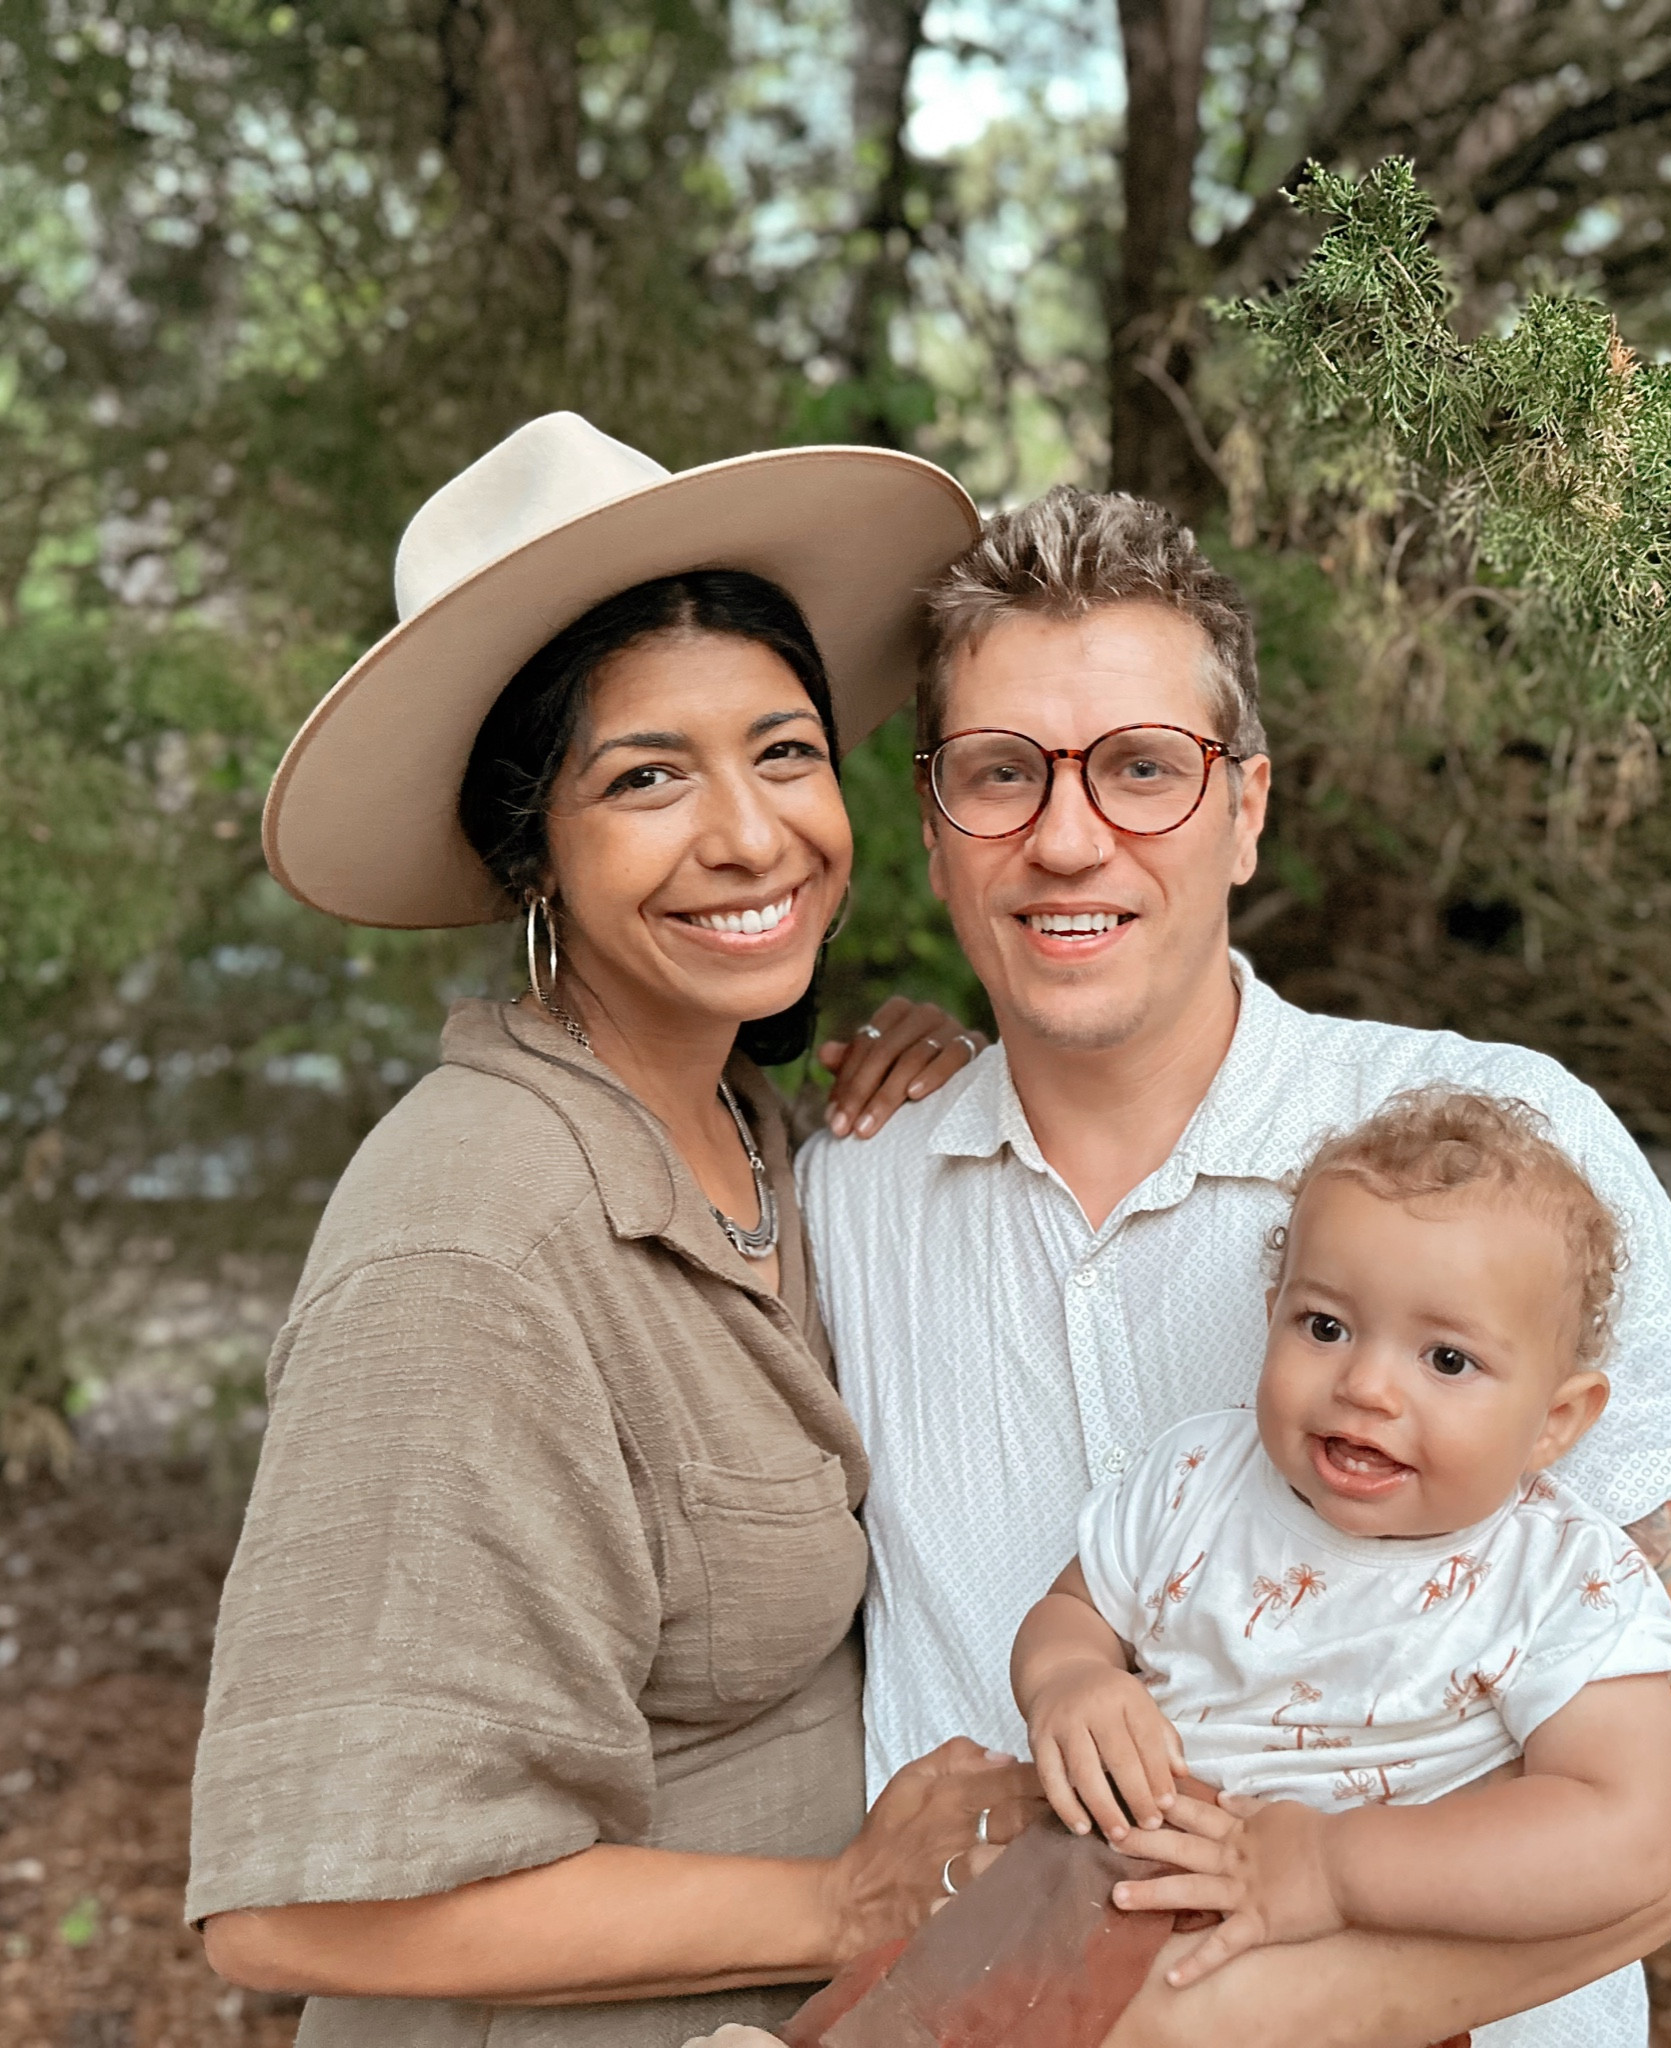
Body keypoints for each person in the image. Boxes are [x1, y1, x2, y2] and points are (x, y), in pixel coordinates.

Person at [796, 486, 1671, 2045]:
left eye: (1147, 770)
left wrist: (1192, 2026)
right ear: (934, 823)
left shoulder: (1500, 1156)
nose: (1070, 836)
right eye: (1002, 775)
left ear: (1247, 808)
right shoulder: (847, 1192)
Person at [190, 411, 1039, 2045]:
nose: (746, 832)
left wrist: (929, 1090)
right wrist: (842, 1896)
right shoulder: (472, 1232)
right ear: (534, 852)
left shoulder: (754, 1139)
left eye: (780, 749)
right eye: (646, 775)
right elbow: (299, 1905)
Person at [1014, 1088, 1671, 2007]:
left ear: (1556, 1420)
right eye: (1326, 1327)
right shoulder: (1198, 1476)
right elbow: (1073, 1611)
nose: (1367, 1385)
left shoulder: (1558, 1582)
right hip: (1094, 1909)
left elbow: (1624, 1834)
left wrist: (1335, 1868)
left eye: (1447, 1360)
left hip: (1345, 1980)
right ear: (1273, 1317)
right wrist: (1068, 1679)